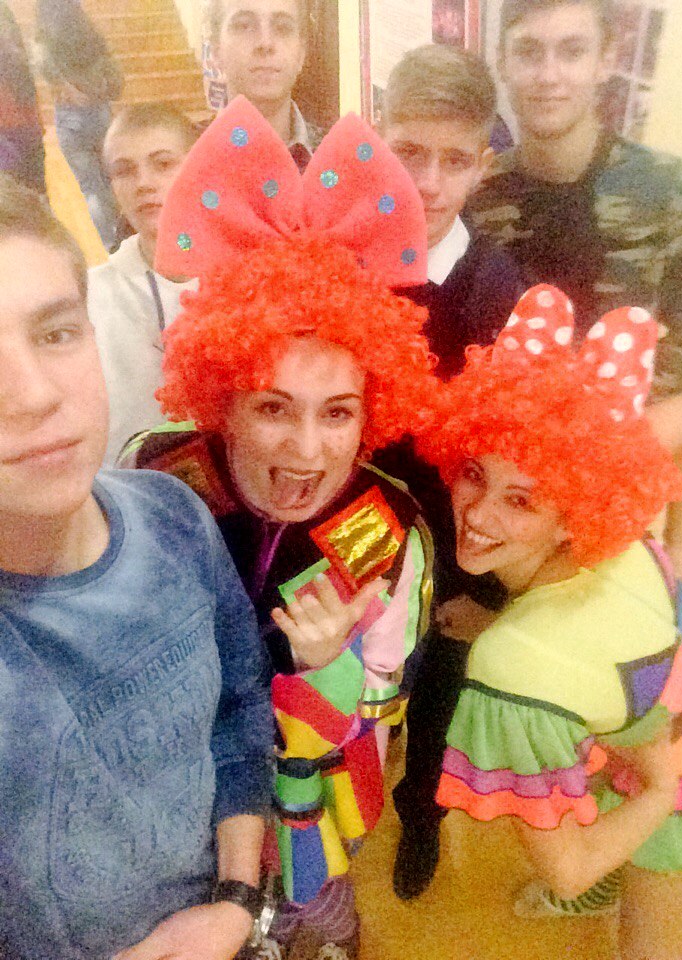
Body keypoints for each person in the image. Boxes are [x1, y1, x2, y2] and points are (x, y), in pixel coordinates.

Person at [120, 97, 435, 960]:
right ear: (221, 399)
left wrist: (327, 671)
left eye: (337, 412)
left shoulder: (390, 529)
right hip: (180, 800)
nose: (306, 451)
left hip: (313, 801)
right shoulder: (157, 478)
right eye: (272, 407)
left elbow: (384, 709)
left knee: (315, 913)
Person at [0, 173, 275, 960]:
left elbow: (238, 708)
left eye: (56, 333)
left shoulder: (174, 515)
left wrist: (236, 902)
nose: (32, 395)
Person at [418, 283, 682, 960]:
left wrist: (660, 791)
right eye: (474, 474)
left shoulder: (510, 672)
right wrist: (677, 557)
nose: (479, 515)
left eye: (522, 501)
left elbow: (568, 868)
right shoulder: (598, 483)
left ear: (569, 513)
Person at [467, 0, 682, 574]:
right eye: (529, 52)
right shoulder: (481, 193)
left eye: (572, 51)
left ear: (606, 60)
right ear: (504, 62)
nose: (549, 74)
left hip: (606, 482)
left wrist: (609, 419)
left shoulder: (663, 189)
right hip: (498, 490)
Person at [377, 43, 522, 900]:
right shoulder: (343, 259)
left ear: (482, 165)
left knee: (435, 694)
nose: (427, 183)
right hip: (348, 533)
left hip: (451, 552)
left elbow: (512, 453)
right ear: (378, 139)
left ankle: (421, 815)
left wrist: (489, 587)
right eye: (408, 152)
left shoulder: (497, 290)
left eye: (454, 160)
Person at [88, 103, 199, 464]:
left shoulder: (245, 284)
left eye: (163, 164)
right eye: (124, 171)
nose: (143, 183)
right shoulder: (90, 296)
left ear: (199, 169)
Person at [35, 0, 123, 250]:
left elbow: (44, 72)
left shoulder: (45, 43)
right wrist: (99, 90)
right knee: (112, 178)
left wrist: (67, 87)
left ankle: (110, 244)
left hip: (70, 119)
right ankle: (127, 232)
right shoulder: (91, 37)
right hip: (99, 112)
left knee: (90, 188)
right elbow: (114, 76)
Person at [208, 0, 322, 169]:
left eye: (282, 28)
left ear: (301, 54)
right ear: (216, 52)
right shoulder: (180, 162)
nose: (265, 43)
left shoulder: (338, 161)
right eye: (244, 26)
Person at [0, 0, 45, 193]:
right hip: (27, 131)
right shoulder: (18, 56)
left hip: (13, 134)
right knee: (36, 195)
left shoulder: (14, 58)